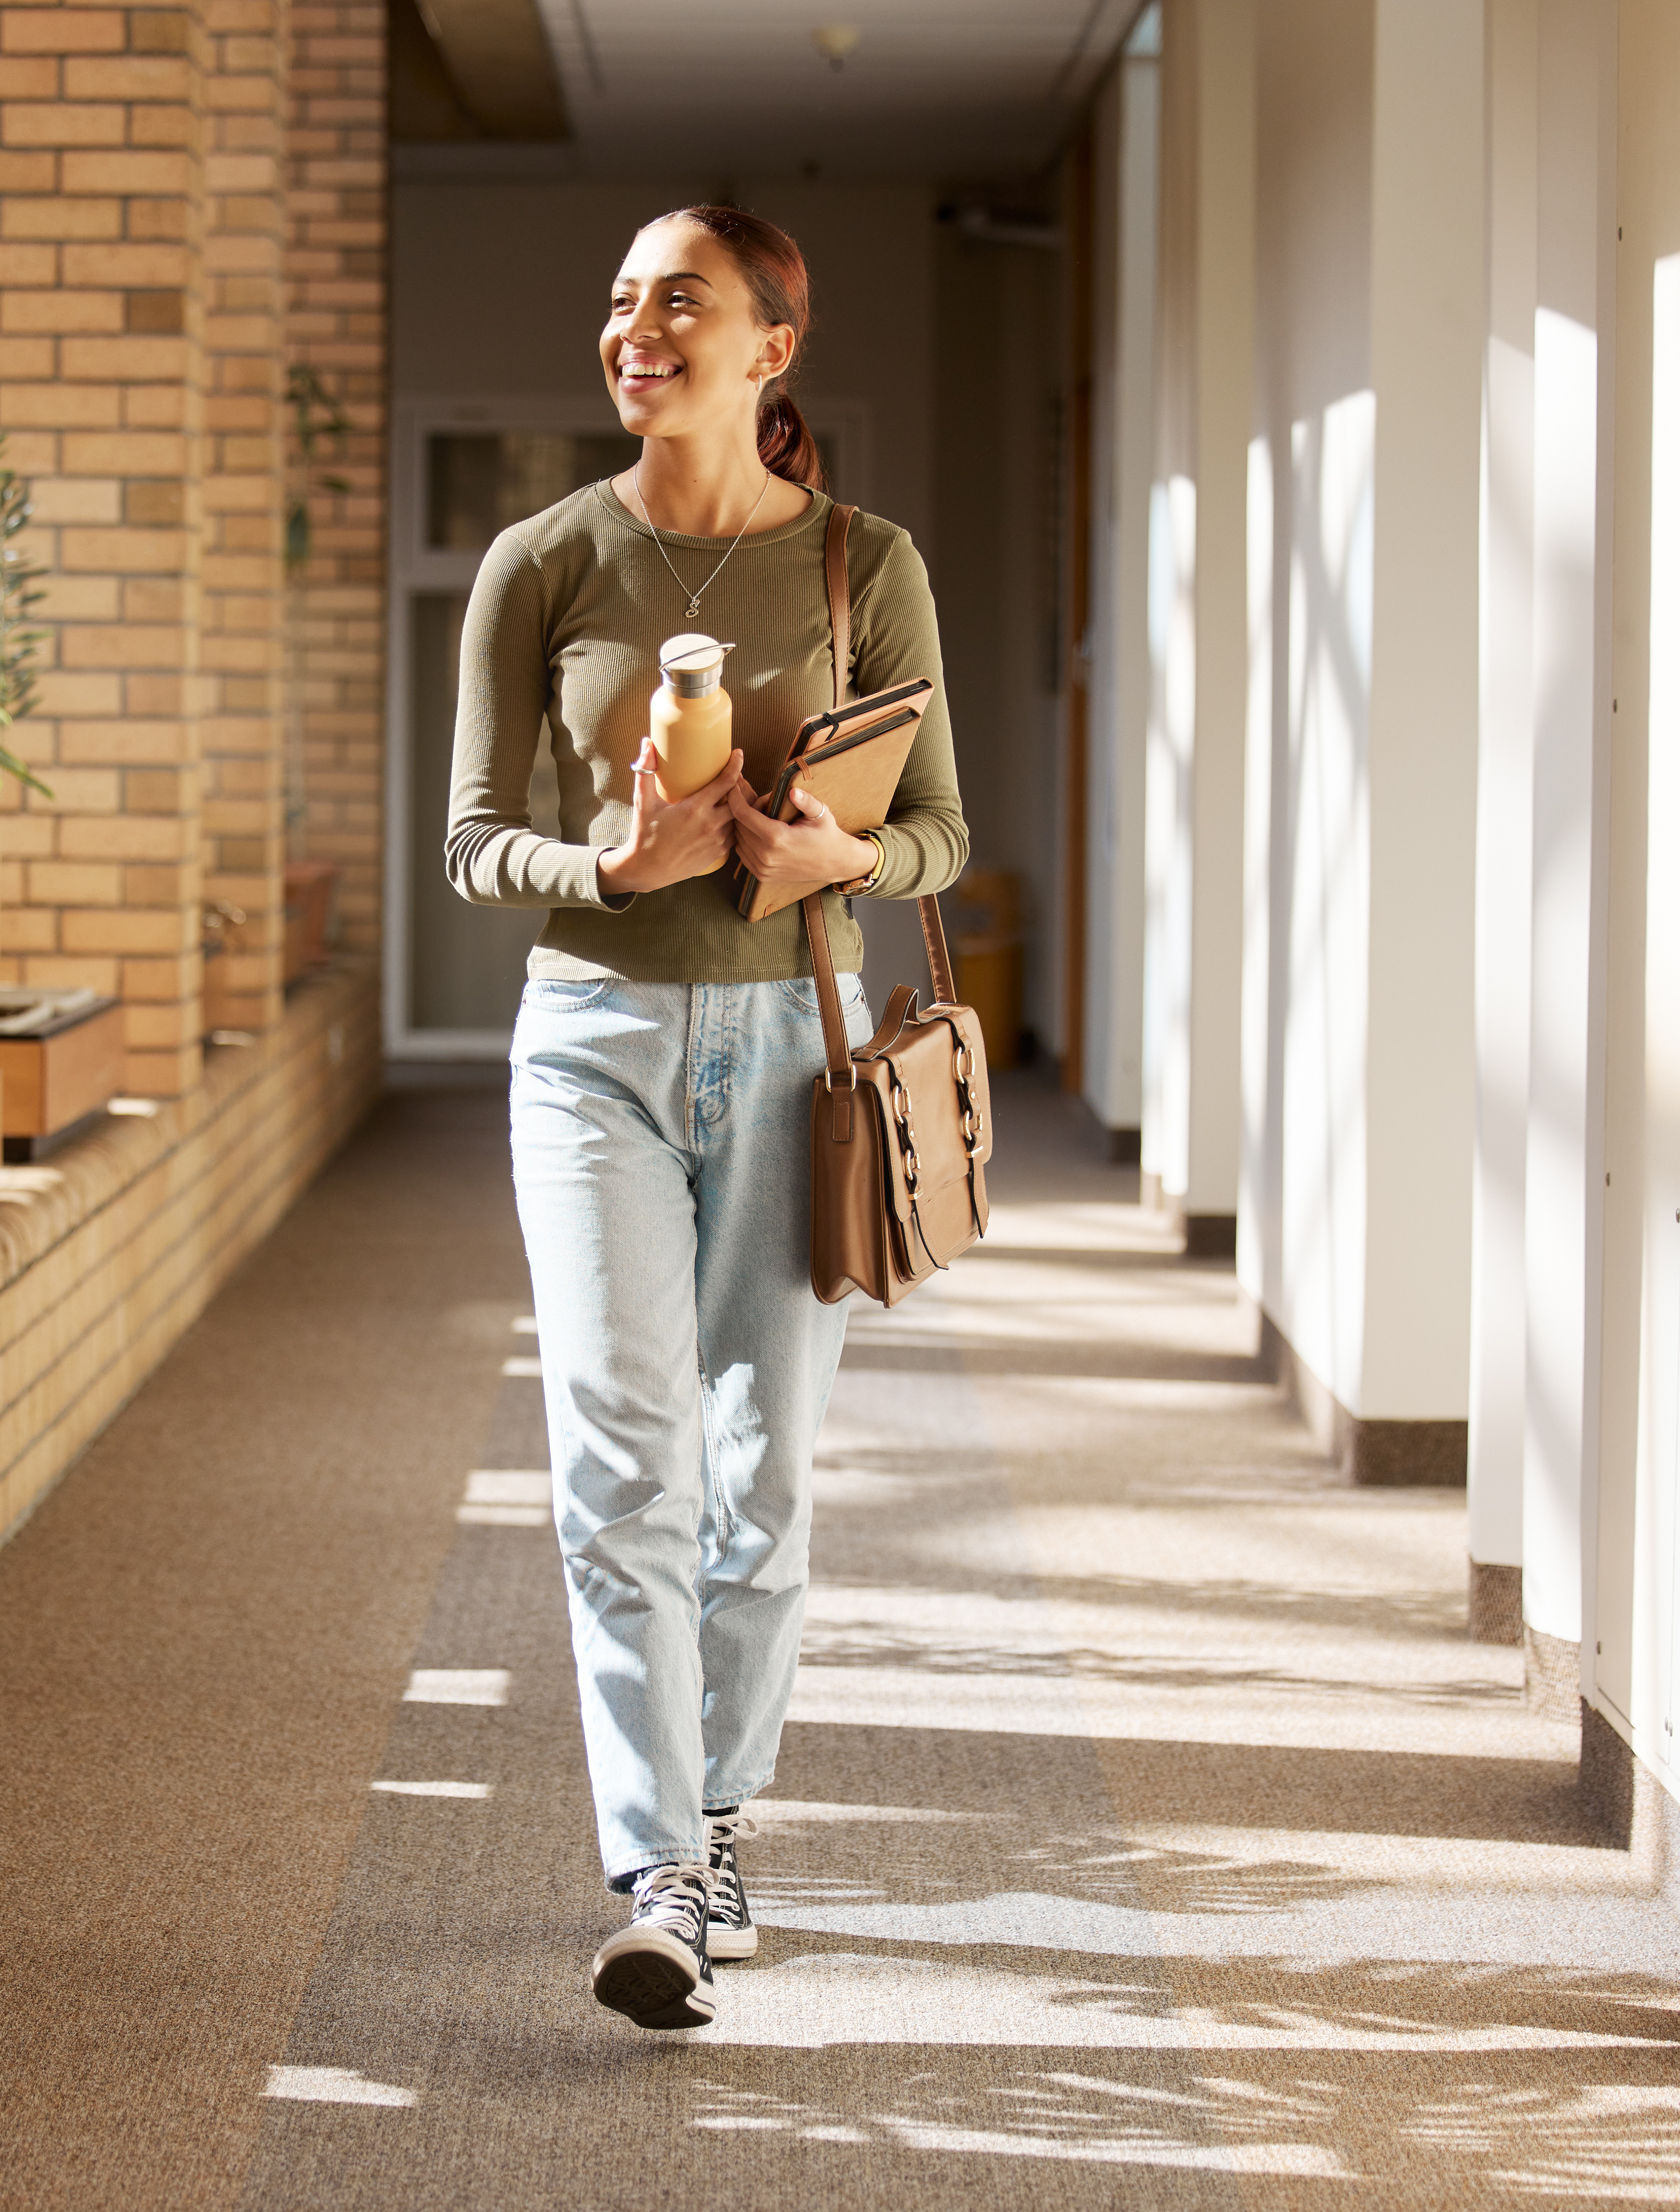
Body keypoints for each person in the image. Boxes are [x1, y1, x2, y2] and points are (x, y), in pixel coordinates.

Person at [444, 205, 967, 2031]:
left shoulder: (860, 561)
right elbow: (468, 840)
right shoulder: (541, 562)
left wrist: (841, 852)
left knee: (763, 1474)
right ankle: (658, 1861)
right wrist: (603, 864)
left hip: (797, 1052)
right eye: (618, 299)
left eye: (681, 300)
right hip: (589, 1043)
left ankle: (721, 1810)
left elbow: (940, 836)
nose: (636, 325)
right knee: (616, 1458)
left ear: (770, 348)